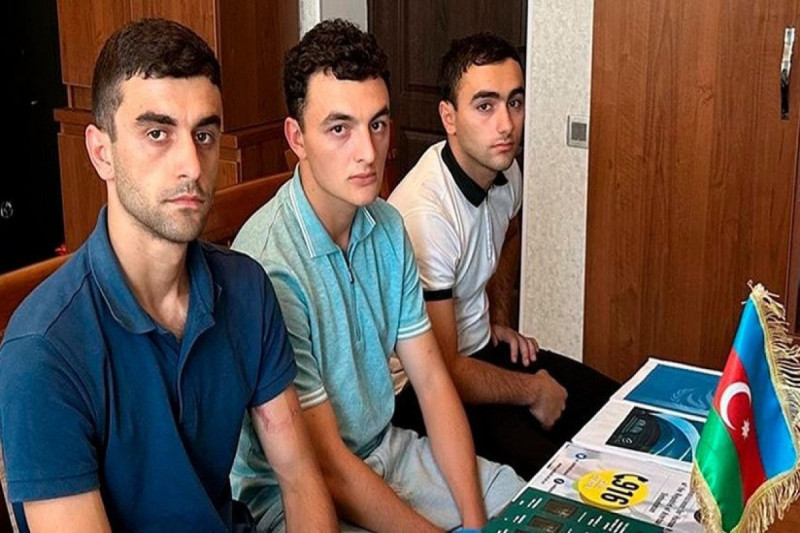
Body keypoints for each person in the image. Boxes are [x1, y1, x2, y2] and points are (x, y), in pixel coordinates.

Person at [0, 18, 336, 533]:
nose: (192, 166)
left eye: (204, 134)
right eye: (157, 133)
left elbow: (298, 475)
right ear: (102, 152)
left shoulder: (246, 288)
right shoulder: (42, 351)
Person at [231, 19, 524, 533]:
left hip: (387, 449)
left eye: (378, 124)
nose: (369, 152)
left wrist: (476, 522)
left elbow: (433, 384)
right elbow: (324, 464)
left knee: (525, 506)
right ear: (297, 137)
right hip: (293, 493)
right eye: (339, 128)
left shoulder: (387, 226)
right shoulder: (269, 265)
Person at [388, 32, 620, 480]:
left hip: (479, 351)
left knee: (615, 406)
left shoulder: (506, 171)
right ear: (449, 117)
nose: (506, 124)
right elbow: (443, 371)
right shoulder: (426, 215)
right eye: (485, 105)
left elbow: (507, 233)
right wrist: (532, 390)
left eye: (515, 102)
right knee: (562, 473)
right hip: (422, 389)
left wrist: (498, 318)